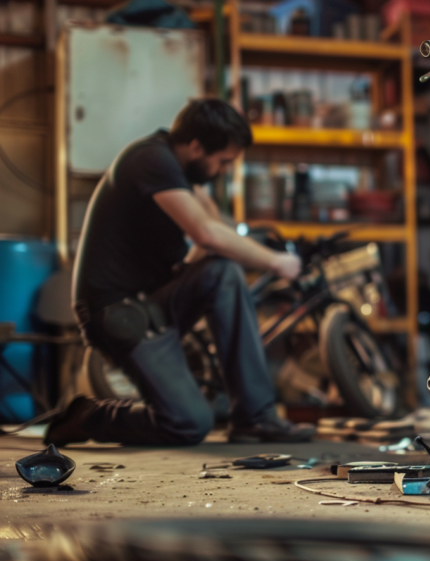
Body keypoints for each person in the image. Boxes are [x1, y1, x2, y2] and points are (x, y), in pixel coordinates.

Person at [46, 99, 315, 446]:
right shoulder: (151, 160)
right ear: (196, 146)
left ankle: (255, 418)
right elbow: (206, 234)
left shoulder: (183, 173)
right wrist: (277, 262)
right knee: (187, 423)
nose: (221, 171)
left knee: (222, 271)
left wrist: (241, 242)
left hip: (153, 303)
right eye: (222, 162)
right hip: (119, 314)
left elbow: (214, 229)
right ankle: (89, 417)